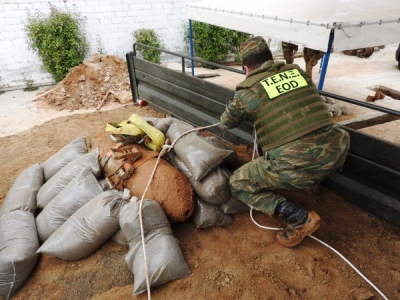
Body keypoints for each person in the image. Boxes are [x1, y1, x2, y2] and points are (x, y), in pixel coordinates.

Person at [220, 36, 350, 248]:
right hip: (336, 151)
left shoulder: (248, 92)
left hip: (299, 165)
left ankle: (299, 218)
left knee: (237, 183)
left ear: (246, 68)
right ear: (271, 58)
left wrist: (241, 97)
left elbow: (226, 122)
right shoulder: (297, 73)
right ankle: (311, 185)